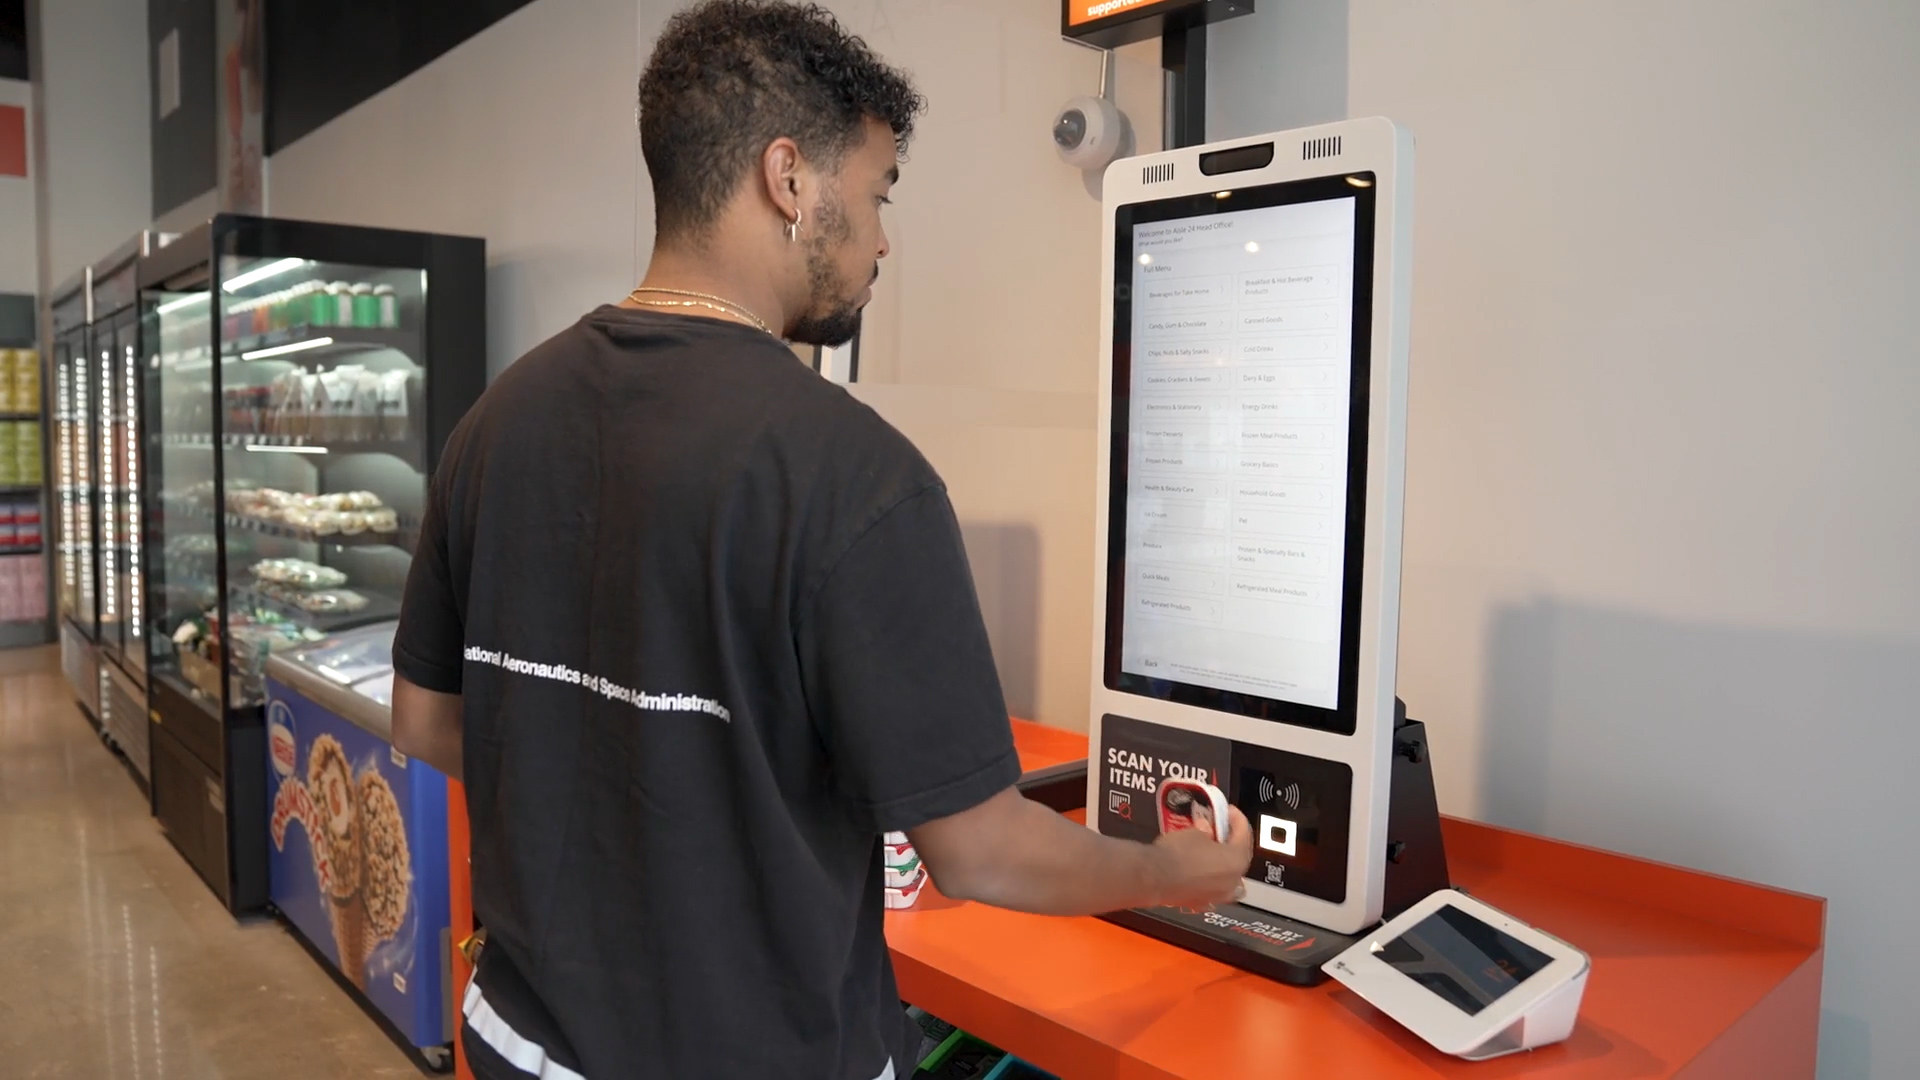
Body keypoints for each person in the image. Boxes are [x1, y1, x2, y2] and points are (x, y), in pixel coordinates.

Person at [389, 2, 1254, 1077]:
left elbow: (427, 724)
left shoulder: (493, 422)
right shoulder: (857, 479)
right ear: (789, 179)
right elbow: (981, 853)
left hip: (520, 1043)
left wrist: (609, 782)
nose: (884, 235)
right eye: (877, 191)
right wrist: (1172, 871)